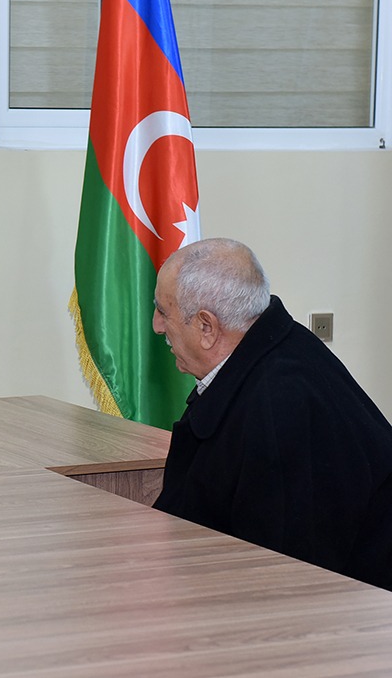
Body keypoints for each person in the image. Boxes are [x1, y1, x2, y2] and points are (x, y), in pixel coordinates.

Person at [151, 237, 392, 591]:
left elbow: (284, 577)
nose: (157, 325)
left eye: (162, 311)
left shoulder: (281, 404)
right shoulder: (276, 352)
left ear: (206, 327)